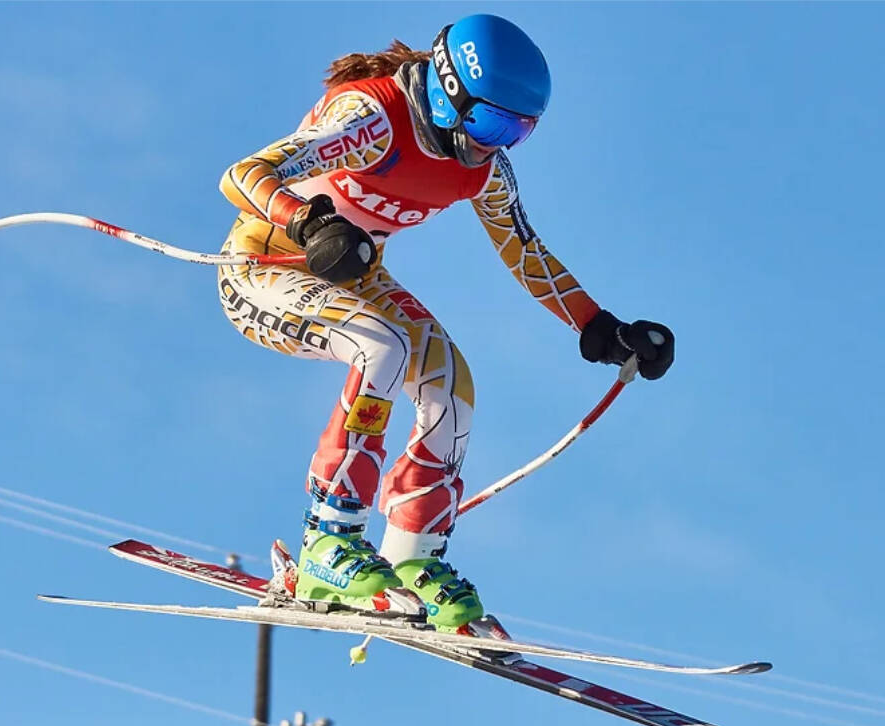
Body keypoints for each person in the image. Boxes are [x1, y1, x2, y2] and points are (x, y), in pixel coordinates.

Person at [217, 14, 674, 632]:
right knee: (378, 347)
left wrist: (600, 326)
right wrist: (311, 223)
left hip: (353, 278)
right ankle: (329, 538)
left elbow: (524, 250)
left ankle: (411, 558)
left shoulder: (482, 168)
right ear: (448, 92)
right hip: (264, 269)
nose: (497, 142)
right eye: (490, 122)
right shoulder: (369, 122)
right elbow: (245, 174)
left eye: (518, 130)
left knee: (450, 384)